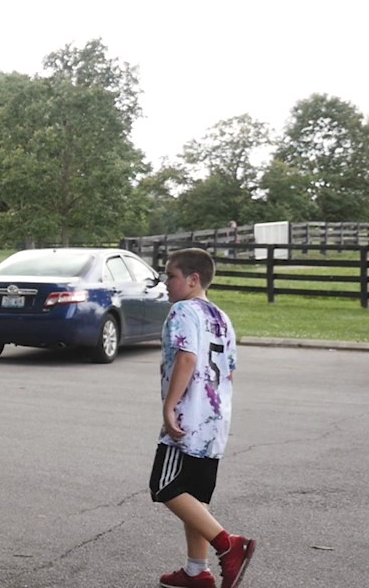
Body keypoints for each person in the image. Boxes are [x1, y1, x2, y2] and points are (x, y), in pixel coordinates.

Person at [151, 248, 256, 588]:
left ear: (193, 279)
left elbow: (187, 357)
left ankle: (229, 546)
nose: (166, 282)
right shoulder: (222, 317)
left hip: (188, 415)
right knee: (195, 496)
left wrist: (170, 406)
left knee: (164, 486)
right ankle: (197, 571)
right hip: (214, 419)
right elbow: (231, 373)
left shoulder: (183, 310)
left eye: (171, 275)